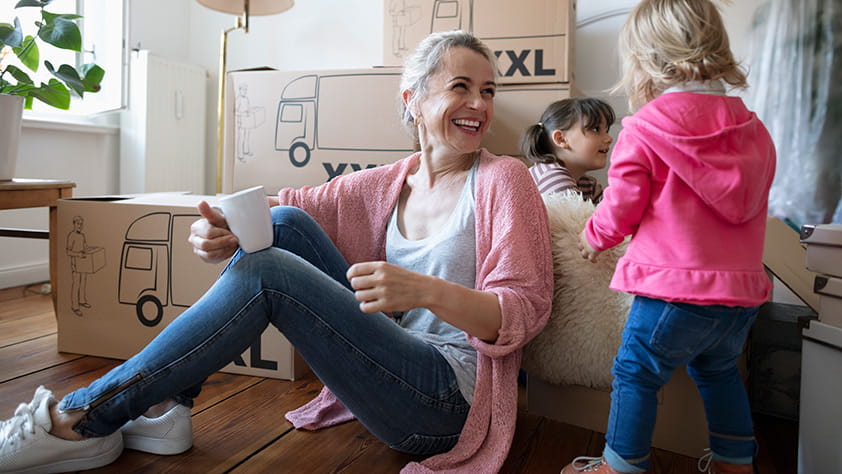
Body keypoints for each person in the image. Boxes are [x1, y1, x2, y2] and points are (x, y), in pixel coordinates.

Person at [0, 30, 553, 474]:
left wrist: (427, 292)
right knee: (281, 225)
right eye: (461, 87)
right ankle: (167, 407)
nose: (478, 104)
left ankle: (82, 417)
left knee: (269, 273)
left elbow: (524, 310)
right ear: (413, 100)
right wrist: (223, 228)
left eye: (488, 91)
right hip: (391, 360)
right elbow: (286, 204)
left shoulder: (505, 180)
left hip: (446, 400)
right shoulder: (391, 181)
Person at [562, 1, 776, 474]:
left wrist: (595, 236)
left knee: (635, 373)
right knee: (719, 372)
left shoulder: (647, 128)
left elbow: (623, 202)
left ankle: (618, 466)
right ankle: (735, 462)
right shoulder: (756, 131)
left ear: (646, 59)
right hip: (740, 296)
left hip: (672, 293)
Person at [519, 97, 616, 202]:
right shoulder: (553, 177)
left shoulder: (587, 183)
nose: (609, 139)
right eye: (595, 129)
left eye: (606, 131)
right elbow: (575, 219)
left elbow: (611, 214)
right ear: (561, 139)